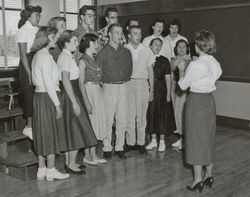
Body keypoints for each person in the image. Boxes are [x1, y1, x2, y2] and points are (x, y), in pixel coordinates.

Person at [178, 30, 222, 192]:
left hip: (196, 102)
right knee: (208, 138)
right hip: (209, 101)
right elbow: (213, 73)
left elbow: (182, 86)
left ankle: (197, 179)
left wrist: (182, 70)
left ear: (198, 45)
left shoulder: (195, 65)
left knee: (195, 139)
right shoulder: (214, 62)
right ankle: (209, 175)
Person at [31, 26, 69, 181]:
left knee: (41, 131)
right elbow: (48, 82)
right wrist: (57, 105)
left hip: (39, 97)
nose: (56, 40)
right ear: (46, 38)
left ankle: (41, 168)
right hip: (48, 96)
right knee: (51, 132)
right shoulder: (46, 57)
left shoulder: (37, 55)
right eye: (53, 37)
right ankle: (51, 169)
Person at [57, 30, 97, 174]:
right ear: (66, 43)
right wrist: (74, 102)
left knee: (72, 128)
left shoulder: (67, 56)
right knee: (75, 129)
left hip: (73, 93)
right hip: (71, 94)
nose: (77, 43)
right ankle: (71, 163)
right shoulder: (65, 58)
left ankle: (69, 162)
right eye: (74, 41)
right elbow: (66, 81)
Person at [96, 23, 132, 159]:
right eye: (116, 32)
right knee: (108, 119)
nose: (119, 35)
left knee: (122, 118)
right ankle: (107, 147)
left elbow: (129, 70)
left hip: (123, 86)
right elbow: (98, 74)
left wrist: (121, 79)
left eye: (120, 32)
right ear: (109, 35)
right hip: (108, 87)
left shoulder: (126, 52)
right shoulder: (102, 53)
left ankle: (119, 146)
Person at [78, 33, 107, 165]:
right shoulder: (82, 61)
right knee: (89, 124)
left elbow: (98, 78)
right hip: (88, 92)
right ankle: (87, 156)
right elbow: (80, 83)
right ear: (88, 44)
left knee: (96, 124)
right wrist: (86, 101)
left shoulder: (94, 60)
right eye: (94, 43)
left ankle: (94, 154)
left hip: (96, 91)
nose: (97, 45)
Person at [125, 26, 154, 154]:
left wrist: (151, 90)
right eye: (135, 33)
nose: (138, 36)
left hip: (143, 83)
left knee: (142, 116)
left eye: (139, 33)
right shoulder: (124, 50)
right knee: (129, 115)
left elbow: (150, 71)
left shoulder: (147, 51)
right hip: (129, 83)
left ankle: (141, 142)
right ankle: (130, 142)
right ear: (129, 36)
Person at [146, 38, 176, 152]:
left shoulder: (164, 60)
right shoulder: (146, 58)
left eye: (159, 45)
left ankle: (162, 141)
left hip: (162, 89)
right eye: (155, 44)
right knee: (151, 113)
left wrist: (168, 94)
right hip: (149, 89)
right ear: (150, 46)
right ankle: (153, 140)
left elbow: (168, 78)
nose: (157, 47)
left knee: (162, 114)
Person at [16, 5, 42, 140]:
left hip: (36, 61)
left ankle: (37, 124)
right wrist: (29, 73)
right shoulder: (23, 31)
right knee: (29, 96)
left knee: (38, 95)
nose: (39, 17)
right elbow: (23, 55)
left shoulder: (36, 30)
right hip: (27, 64)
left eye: (39, 15)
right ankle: (29, 127)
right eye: (36, 15)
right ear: (28, 16)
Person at [171, 39, 191, 150]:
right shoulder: (174, 60)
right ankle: (181, 137)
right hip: (176, 89)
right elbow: (172, 69)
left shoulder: (192, 61)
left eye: (184, 47)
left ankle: (186, 139)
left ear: (187, 48)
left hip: (186, 90)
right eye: (179, 47)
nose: (181, 49)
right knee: (177, 113)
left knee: (184, 114)